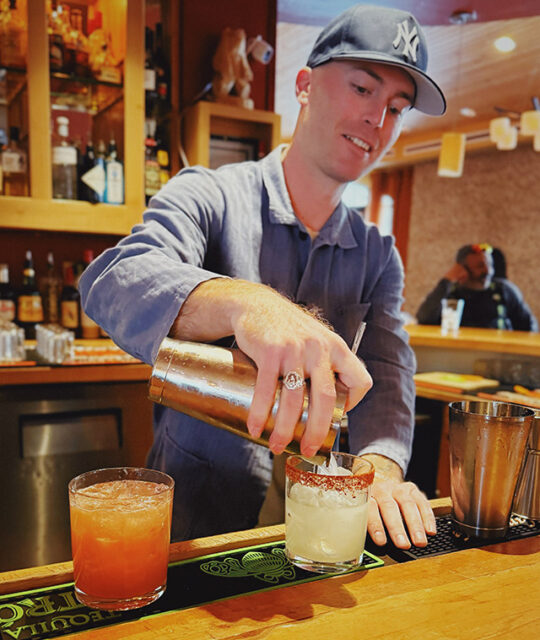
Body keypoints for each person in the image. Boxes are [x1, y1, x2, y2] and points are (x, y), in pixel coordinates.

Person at [79, 4, 447, 550]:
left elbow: (388, 376)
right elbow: (111, 279)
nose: (379, 119)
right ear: (304, 86)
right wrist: (245, 303)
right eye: (363, 89)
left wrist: (382, 469)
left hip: (321, 537)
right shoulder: (209, 194)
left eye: (397, 107)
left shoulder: (377, 253)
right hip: (195, 525)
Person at [416, 243, 538, 331]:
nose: (488, 271)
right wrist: (446, 281)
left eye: (490, 265)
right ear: (462, 268)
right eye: (480, 266)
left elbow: (529, 327)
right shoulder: (450, 292)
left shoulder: (505, 291)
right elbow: (424, 319)